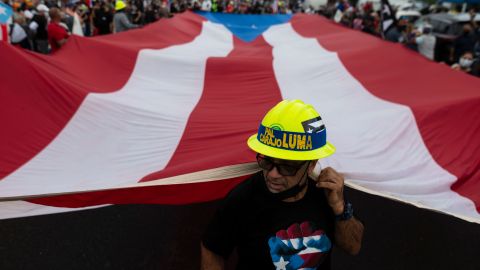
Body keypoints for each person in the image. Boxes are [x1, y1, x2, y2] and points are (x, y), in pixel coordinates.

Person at [201, 100, 364, 270]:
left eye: (287, 167)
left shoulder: (328, 193)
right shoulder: (242, 199)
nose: (272, 174)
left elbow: (353, 247)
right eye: (267, 162)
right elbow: (212, 249)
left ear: (311, 165)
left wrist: (339, 208)